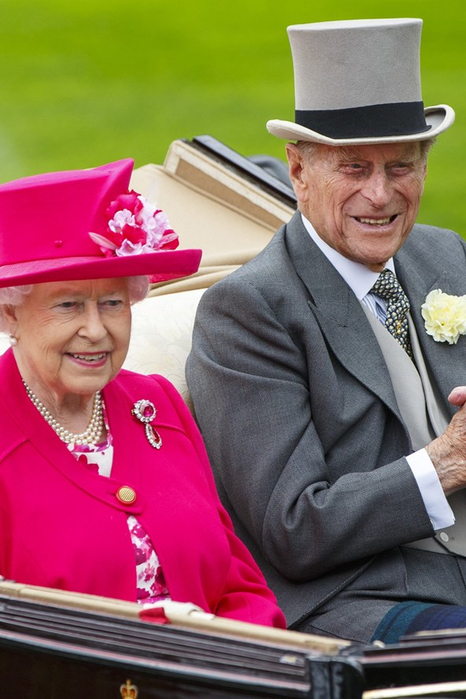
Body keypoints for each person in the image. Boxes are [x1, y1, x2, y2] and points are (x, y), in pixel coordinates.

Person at [186, 18, 466, 644]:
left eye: (401, 165)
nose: (380, 193)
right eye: (354, 167)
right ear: (298, 171)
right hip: (365, 596)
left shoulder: (447, 255)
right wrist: (444, 464)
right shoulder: (248, 311)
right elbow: (293, 529)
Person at [0, 157, 286, 629]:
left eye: (112, 303)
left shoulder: (155, 405)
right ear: (10, 315)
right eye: (68, 305)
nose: (96, 330)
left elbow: (238, 583)